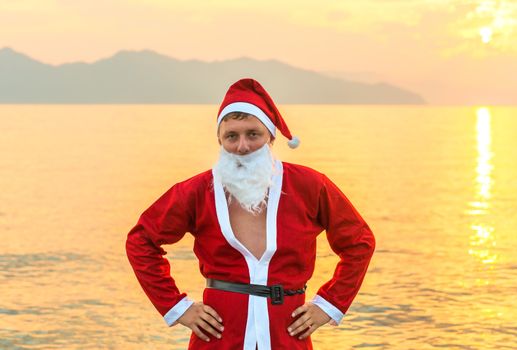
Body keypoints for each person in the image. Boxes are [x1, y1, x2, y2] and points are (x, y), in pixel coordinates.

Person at [125, 78, 375, 350]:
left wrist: (328, 305)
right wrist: (178, 307)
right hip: (218, 338)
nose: (242, 146)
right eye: (232, 136)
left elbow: (359, 242)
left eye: (252, 134)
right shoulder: (196, 191)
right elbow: (141, 240)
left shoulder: (310, 185)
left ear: (270, 136)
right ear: (219, 139)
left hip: (287, 336)